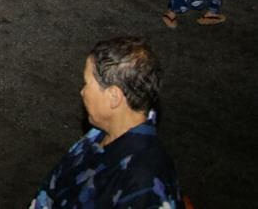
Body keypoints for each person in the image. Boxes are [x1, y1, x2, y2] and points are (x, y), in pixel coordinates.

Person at [31, 37, 181, 208]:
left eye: (87, 83)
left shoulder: (143, 186)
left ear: (114, 97)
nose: (82, 92)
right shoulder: (104, 131)